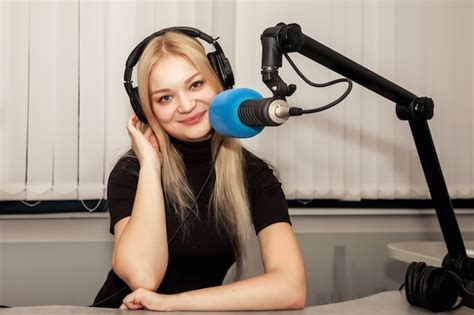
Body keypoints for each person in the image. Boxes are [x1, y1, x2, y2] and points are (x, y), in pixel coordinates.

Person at [93, 29, 307, 311]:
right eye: (164, 98)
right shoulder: (132, 171)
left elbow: (290, 288)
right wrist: (149, 166)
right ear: (148, 111)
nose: (186, 105)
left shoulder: (255, 175)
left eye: (195, 85)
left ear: (220, 80)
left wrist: (174, 304)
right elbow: (144, 277)